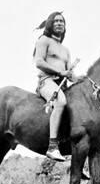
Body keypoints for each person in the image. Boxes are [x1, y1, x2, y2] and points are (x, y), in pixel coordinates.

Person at [33, 11, 77, 161]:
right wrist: (60, 72)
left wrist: (79, 78)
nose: (59, 23)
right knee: (61, 101)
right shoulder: (44, 40)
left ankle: (75, 152)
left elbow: (70, 75)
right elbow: (38, 62)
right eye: (56, 21)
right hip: (47, 82)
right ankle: (52, 147)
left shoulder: (66, 50)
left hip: (62, 85)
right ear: (50, 24)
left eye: (62, 21)